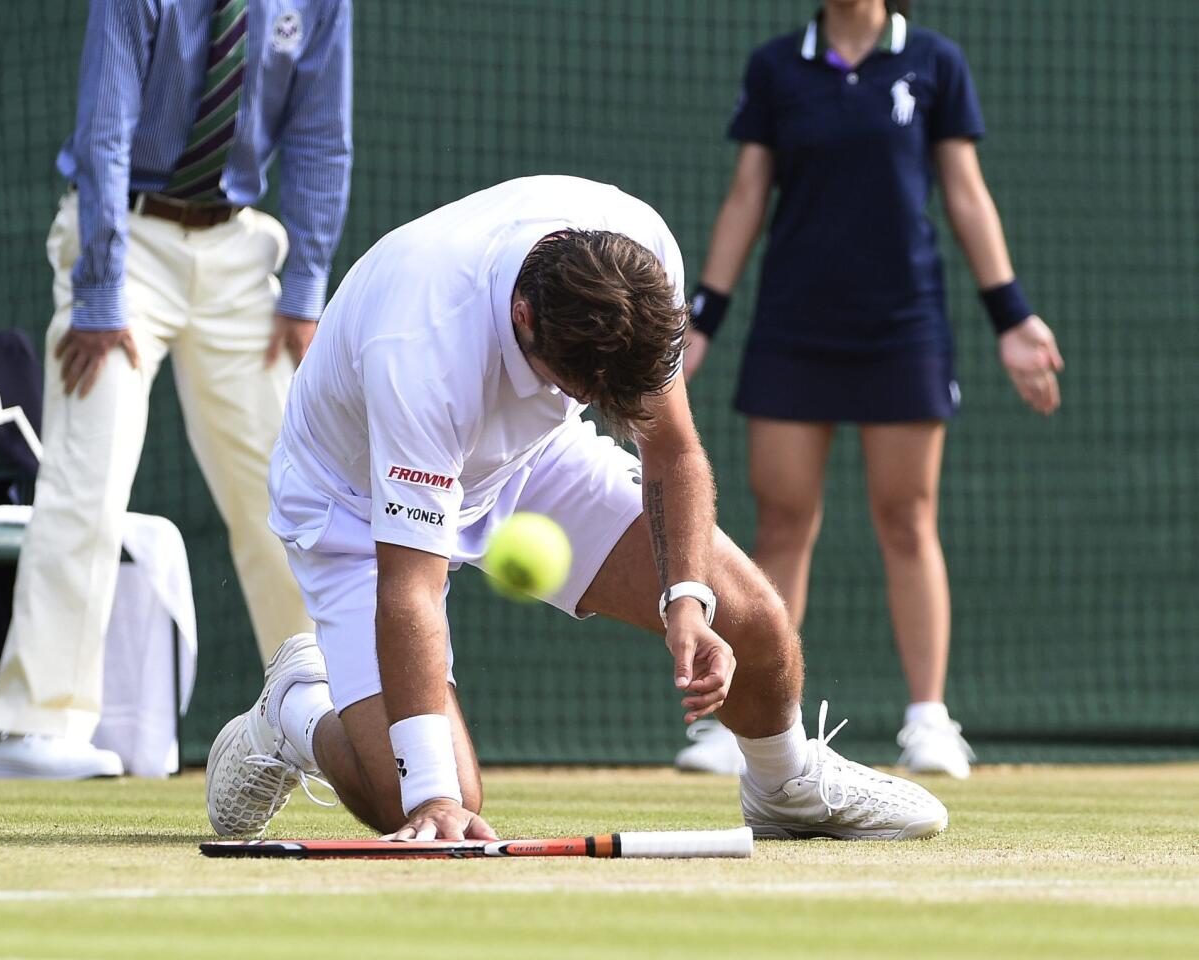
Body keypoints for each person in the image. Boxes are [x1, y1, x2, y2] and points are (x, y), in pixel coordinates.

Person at [204, 175, 950, 843]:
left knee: (744, 613)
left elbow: (674, 451)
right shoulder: (421, 345)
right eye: (584, 386)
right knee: (418, 794)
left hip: (531, 458)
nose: (598, 402)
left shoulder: (639, 259)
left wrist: (685, 601)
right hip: (355, 500)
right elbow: (411, 587)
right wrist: (431, 800)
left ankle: (787, 786)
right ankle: (297, 711)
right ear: (524, 315)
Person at [675, 0, 1064, 779]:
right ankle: (751, 723)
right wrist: (702, 319)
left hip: (904, 326)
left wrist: (1012, 317)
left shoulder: (934, 64)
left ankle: (928, 720)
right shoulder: (776, 66)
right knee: (783, 522)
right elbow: (747, 196)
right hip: (793, 325)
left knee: (908, 517)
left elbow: (965, 193)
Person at [0, 0, 353, 780]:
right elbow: (105, 130)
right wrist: (97, 292)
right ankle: (35, 725)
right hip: (122, 241)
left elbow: (321, 135)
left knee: (289, 493)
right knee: (89, 474)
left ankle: (323, 718)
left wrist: (305, 288)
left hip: (240, 254)